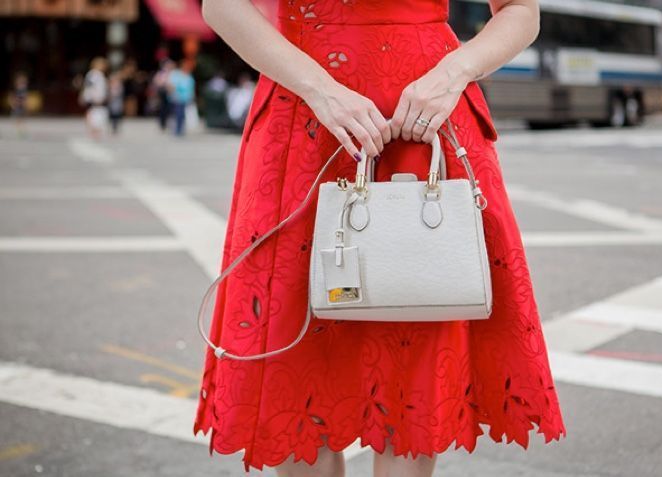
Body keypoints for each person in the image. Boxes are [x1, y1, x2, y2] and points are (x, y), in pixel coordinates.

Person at [195, 1, 566, 476]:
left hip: (423, 113)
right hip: (303, 107)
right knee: (293, 348)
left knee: (412, 348)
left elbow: (520, 11)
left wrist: (453, 73)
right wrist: (320, 90)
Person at [80, 57, 109, 139]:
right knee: (93, 113)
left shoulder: (99, 74)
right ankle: (93, 130)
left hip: (98, 98)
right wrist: (93, 97)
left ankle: (96, 130)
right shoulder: (93, 74)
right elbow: (90, 87)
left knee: (98, 113)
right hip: (94, 98)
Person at [166, 60, 196, 136]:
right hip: (177, 98)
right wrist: (172, 94)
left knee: (182, 114)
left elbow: (191, 88)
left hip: (185, 98)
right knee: (178, 114)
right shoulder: (176, 74)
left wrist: (192, 97)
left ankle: (180, 129)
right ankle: (177, 130)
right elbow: (170, 85)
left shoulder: (189, 76)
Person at [9, 72, 29, 136]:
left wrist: (25, 103)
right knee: (18, 118)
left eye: (23, 83)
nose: (23, 85)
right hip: (18, 106)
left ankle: (21, 130)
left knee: (21, 118)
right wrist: (14, 103)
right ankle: (19, 130)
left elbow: (25, 99)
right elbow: (14, 98)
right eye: (21, 83)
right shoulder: (17, 91)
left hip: (21, 107)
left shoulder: (24, 91)